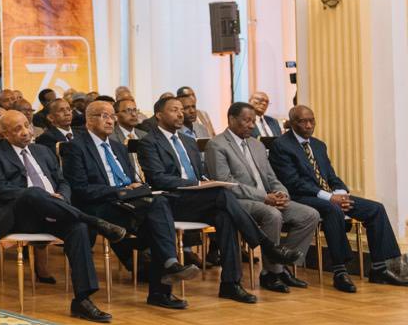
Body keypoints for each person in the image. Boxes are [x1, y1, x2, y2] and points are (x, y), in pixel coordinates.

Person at [137, 96, 298, 303]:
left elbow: (200, 173)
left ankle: (231, 284)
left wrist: (205, 182)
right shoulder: (149, 142)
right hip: (170, 202)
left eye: (181, 110)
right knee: (223, 195)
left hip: (196, 200)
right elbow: (157, 178)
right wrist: (196, 184)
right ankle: (266, 245)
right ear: (159, 115)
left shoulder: (188, 141)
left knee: (225, 215)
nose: (180, 114)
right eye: (174, 110)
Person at [0, 110, 123, 323]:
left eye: (27, 125)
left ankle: (82, 300)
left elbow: (63, 182)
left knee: (78, 229)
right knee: (33, 193)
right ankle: (94, 221)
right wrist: (42, 196)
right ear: (5, 133)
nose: (25, 132)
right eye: (17, 129)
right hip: (18, 216)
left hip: (54, 212)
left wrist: (61, 197)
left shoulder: (42, 151)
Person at [61, 101, 198, 309]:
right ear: (89, 120)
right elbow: (80, 189)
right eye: (104, 116)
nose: (110, 121)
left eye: (112, 116)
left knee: (160, 205)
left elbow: (130, 179)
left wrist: (135, 188)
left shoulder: (118, 147)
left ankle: (167, 272)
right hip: (99, 206)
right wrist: (120, 191)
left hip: (127, 203)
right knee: (157, 222)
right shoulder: (75, 147)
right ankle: (164, 281)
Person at [268, 105, 408, 291]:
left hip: (328, 196)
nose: (309, 125)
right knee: (332, 209)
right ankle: (340, 271)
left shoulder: (318, 145)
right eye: (303, 121)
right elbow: (293, 182)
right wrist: (329, 197)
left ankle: (380, 268)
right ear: (292, 123)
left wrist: (341, 192)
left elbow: (330, 176)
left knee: (376, 209)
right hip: (301, 197)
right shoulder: (281, 145)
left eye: (312, 121)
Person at [204, 102, 319, 293]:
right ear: (232, 119)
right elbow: (226, 183)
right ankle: (270, 274)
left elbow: (271, 177)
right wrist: (264, 197)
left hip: (268, 198)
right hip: (238, 201)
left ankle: (283, 267)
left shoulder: (257, 144)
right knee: (272, 215)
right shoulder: (217, 145)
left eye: (253, 121)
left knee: (310, 215)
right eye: (246, 121)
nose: (251, 125)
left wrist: (281, 193)